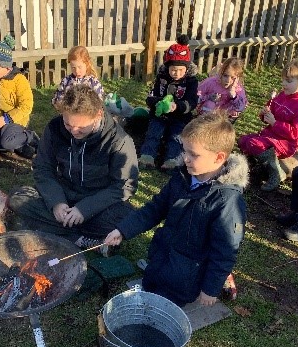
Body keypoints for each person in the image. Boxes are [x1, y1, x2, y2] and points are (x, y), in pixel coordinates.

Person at [105, 110, 248, 307]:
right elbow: (155, 208)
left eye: (193, 154)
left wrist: (210, 289)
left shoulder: (227, 201)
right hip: (162, 257)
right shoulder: (182, 177)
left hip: (187, 276)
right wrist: (123, 229)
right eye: (184, 150)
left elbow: (224, 251)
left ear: (218, 157)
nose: (185, 158)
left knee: (165, 307)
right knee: (150, 287)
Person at [9, 85, 139, 255]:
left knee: (128, 219)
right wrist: (56, 202)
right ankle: (79, 238)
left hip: (98, 202)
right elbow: (43, 167)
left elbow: (125, 186)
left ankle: (58, 231)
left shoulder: (119, 141)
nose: (74, 131)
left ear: (98, 115)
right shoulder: (55, 128)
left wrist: (84, 209)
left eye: (81, 127)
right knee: (17, 198)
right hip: (65, 194)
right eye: (68, 124)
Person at [238, 58, 298, 191]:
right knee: (243, 140)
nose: (284, 84)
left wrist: (275, 123)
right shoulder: (283, 95)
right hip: (270, 136)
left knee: (254, 144)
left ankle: (276, 172)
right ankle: (253, 163)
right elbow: (272, 111)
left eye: (289, 81)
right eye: (284, 80)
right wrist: (265, 114)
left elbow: (295, 133)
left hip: (286, 143)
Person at [138, 34, 199, 171]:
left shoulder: (191, 81)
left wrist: (178, 106)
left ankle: (172, 160)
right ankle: (147, 156)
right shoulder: (162, 77)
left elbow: (192, 102)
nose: (176, 73)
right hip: (160, 115)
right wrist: (158, 102)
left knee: (176, 137)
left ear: (187, 68)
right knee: (153, 132)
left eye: (180, 70)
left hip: (180, 117)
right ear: (167, 68)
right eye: (172, 70)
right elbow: (151, 95)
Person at [0, 35, 38, 159]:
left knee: (7, 141)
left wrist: (6, 119)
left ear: (7, 67)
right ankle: (14, 146)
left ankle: (29, 136)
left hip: (15, 121)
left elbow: (26, 106)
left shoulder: (19, 80)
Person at [197, 57, 248, 122]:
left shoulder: (238, 88)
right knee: (210, 103)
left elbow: (241, 107)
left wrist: (233, 96)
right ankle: (206, 123)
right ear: (221, 73)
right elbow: (197, 96)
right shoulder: (211, 82)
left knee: (235, 109)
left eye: (233, 77)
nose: (228, 80)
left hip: (225, 118)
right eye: (225, 75)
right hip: (207, 115)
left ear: (237, 77)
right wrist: (209, 97)